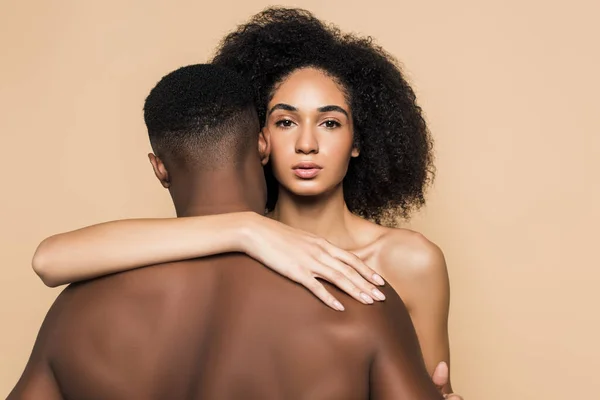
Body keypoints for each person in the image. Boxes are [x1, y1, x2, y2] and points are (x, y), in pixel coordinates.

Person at [31, 7, 462, 398]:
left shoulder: (410, 261)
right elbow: (51, 259)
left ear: (358, 141)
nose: (307, 143)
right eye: (286, 121)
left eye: (330, 122)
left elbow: (434, 386)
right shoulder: (228, 243)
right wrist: (247, 229)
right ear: (260, 138)